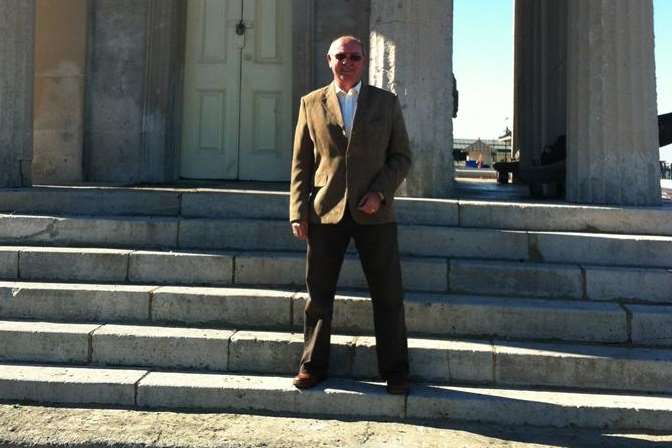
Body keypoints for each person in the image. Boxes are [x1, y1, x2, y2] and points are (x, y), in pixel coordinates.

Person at [289, 35, 412, 395]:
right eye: (341, 56)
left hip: (375, 214)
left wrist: (380, 193)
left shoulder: (385, 103)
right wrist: (298, 211)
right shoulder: (311, 103)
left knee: (388, 295)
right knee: (319, 296)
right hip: (325, 212)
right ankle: (312, 366)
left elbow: (401, 157)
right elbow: (301, 163)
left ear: (364, 61)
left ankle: (396, 371)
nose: (348, 62)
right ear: (329, 60)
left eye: (355, 57)